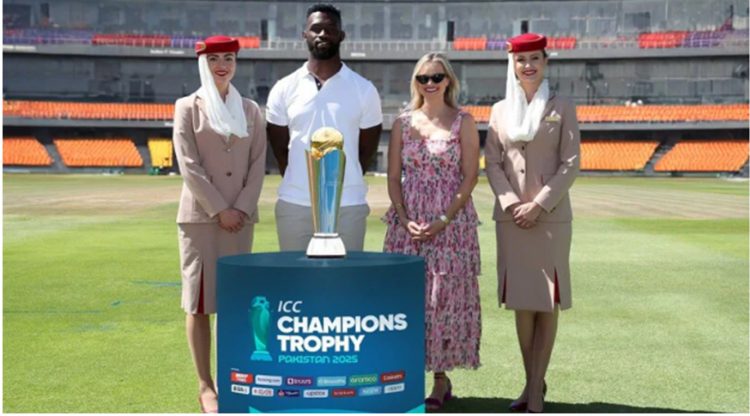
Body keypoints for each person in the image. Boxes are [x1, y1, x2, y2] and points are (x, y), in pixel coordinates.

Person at [485, 33, 580, 413]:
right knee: (522, 304)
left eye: (535, 59)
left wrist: (538, 205)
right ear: (512, 64)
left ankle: (535, 392)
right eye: (521, 60)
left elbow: (571, 163)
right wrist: (511, 203)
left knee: (546, 301)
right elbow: (493, 163)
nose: (528, 66)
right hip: (512, 220)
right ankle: (532, 383)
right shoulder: (499, 110)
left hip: (551, 217)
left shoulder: (562, 106)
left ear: (545, 62)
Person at [382, 52, 481, 411]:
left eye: (437, 76)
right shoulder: (402, 123)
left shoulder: (463, 121)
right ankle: (405, 375)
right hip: (408, 222)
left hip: (451, 225)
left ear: (448, 80)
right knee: (406, 299)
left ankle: (440, 379)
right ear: (416, 82)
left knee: (442, 301)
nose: (430, 83)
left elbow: (470, 176)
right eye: (423, 78)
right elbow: (394, 176)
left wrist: (444, 218)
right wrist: (403, 217)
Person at [172, 35, 267, 413]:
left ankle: (232, 378)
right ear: (203, 63)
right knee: (199, 304)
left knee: (234, 304)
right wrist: (219, 210)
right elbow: (188, 165)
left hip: (240, 222)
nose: (222, 65)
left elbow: (258, 165)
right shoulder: (186, 107)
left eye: (228, 58)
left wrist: (240, 208)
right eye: (214, 59)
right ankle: (205, 385)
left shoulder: (251, 110)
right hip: (201, 220)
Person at [265, 3, 382, 251]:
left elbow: (365, 152)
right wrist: (304, 179)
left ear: (341, 35)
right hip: (295, 203)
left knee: (346, 275)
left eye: (330, 29)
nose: (322, 34)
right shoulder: (284, 88)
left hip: (347, 204)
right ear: (304, 35)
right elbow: (280, 151)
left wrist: (337, 182)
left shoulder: (364, 89)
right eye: (316, 29)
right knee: (295, 275)